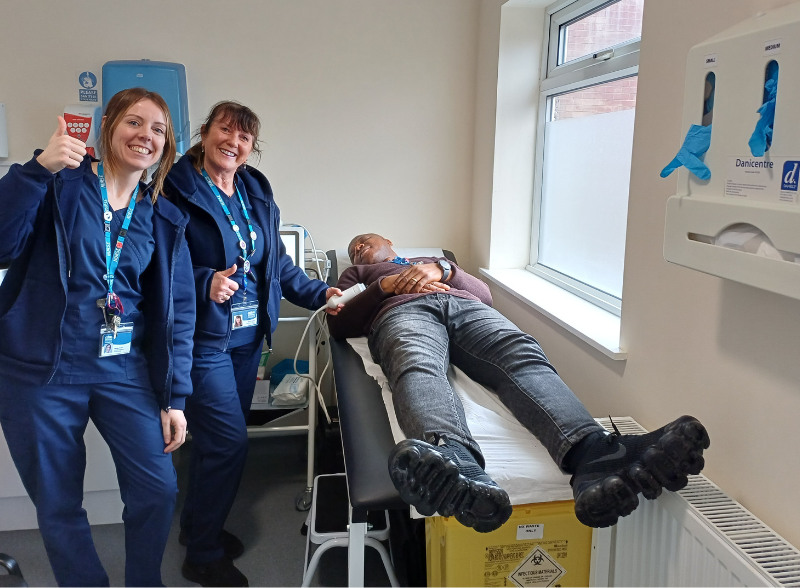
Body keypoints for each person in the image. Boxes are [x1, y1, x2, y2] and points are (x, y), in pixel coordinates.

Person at [327, 234, 710, 533]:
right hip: (401, 313)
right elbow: (339, 323)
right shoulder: (358, 275)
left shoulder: (435, 264)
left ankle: (593, 454)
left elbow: (485, 296)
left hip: (467, 308)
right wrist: (384, 288)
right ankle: (456, 461)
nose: (359, 247)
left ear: (392, 243)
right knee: (417, 363)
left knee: (521, 353)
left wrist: (442, 271)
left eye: (367, 240)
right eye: (354, 247)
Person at [0, 88, 195, 586]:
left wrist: (174, 397)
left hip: (123, 368)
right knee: (58, 501)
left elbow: (178, 314)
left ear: (166, 145)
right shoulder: (55, 185)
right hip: (42, 369)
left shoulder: (163, 218)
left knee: (157, 489)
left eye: (157, 129)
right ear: (107, 125)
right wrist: (35, 169)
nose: (145, 136)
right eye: (134, 122)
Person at [164, 101, 342, 587]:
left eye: (244, 137)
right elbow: (156, 261)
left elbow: (277, 265)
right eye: (225, 130)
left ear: (251, 148)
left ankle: (198, 528)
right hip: (202, 341)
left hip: (247, 341)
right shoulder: (175, 187)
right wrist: (204, 282)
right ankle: (201, 554)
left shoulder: (254, 189)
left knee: (214, 444)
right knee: (226, 443)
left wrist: (318, 293)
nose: (234, 142)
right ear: (204, 133)